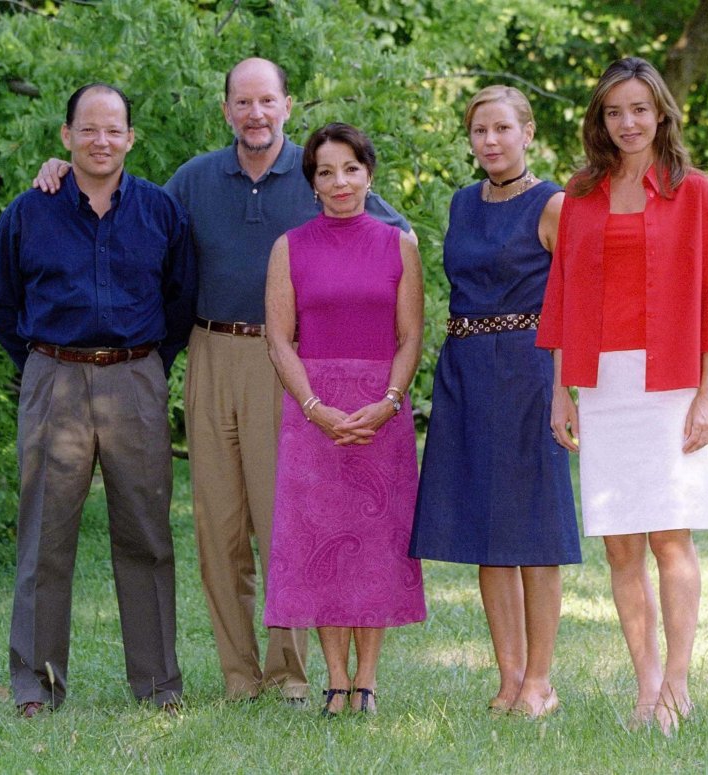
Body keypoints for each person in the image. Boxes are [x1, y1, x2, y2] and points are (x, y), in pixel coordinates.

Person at [32, 58, 409, 702]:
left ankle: (288, 672)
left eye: (267, 101)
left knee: (280, 517)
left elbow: (386, 231)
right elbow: (127, 207)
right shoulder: (195, 179)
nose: (255, 114)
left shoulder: (317, 171)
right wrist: (65, 173)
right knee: (218, 524)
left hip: (286, 362)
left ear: (288, 104)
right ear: (227, 109)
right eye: (243, 102)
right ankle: (240, 673)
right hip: (210, 351)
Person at [537, 57, 708, 735]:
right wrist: (563, 391)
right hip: (601, 383)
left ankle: (678, 684)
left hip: (670, 382)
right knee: (621, 547)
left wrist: (707, 393)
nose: (627, 123)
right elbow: (563, 292)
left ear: (661, 113)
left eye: (639, 110)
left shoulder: (695, 190)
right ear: (601, 119)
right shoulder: (582, 192)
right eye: (614, 111)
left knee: (670, 536)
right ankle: (645, 683)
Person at [0, 83, 196, 716]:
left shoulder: (160, 211)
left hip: (136, 379)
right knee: (45, 538)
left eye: (114, 130)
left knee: (148, 537)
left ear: (131, 137)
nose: (101, 141)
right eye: (88, 129)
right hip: (55, 379)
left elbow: (181, 300)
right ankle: (36, 689)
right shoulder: (30, 210)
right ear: (67, 136)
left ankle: (158, 685)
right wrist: (45, 366)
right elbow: (1, 302)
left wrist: (149, 367)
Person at [409, 86, 582, 718]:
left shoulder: (554, 203)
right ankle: (508, 678)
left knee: (532, 527)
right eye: (479, 130)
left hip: (529, 370)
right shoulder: (461, 202)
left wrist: (566, 388)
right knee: (487, 529)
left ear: (528, 132)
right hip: (464, 370)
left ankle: (540, 680)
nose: (490, 140)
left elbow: (572, 306)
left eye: (502, 129)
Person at [263, 122, 426, 716]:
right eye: (326, 171)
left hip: (380, 409)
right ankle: (335, 681)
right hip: (313, 411)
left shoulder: (398, 244)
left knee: (376, 547)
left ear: (369, 175)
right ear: (312, 182)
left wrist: (388, 401)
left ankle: (369, 681)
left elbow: (411, 336)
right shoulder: (290, 247)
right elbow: (279, 340)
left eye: (351, 169)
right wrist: (314, 407)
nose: (340, 182)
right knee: (320, 544)